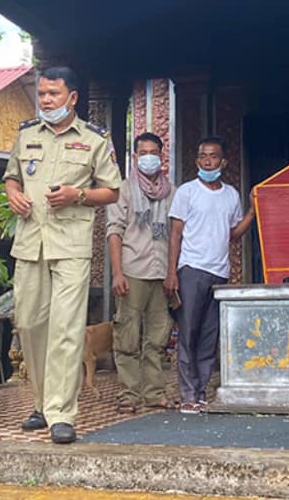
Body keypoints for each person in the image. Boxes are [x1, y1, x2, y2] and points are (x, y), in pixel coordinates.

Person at [4, 66, 122, 443]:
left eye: (53, 94)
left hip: (70, 246)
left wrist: (78, 195)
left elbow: (112, 191)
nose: (45, 101)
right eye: (41, 94)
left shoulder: (94, 140)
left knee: (67, 328)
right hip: (30, 243)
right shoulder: (26, 135)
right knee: (29, 323)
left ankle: (61, 413)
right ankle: (40, 403)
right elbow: (12, 176)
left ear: (72, 98)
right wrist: (12, 194)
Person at [164, 136, 255, 414]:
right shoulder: (187, 192)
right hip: (191, 269)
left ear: (223, 162)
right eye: (203, 156)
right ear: (196, 161)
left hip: (220, 273)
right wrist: (172, 273)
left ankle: (201, 392)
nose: (208, 161)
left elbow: (233, 235)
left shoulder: (230, 195)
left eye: (213, 156)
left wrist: (253, 211)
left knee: (208, 336)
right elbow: (176, 234)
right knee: (188, 333)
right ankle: (187, 394)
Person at [106, 132, 175, 413]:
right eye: (143, 152)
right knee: (127, 336)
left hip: (161, 273)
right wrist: (117, 273)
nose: (149, 157)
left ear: (161, 157)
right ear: (135, 157)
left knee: (158, 337)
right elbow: (114, 231)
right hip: (132, 270)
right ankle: (128, 393)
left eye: (154, 152)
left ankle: (153, 392)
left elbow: (176, 234)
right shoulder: (122, 189)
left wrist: (172, 272)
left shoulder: (173, 192)